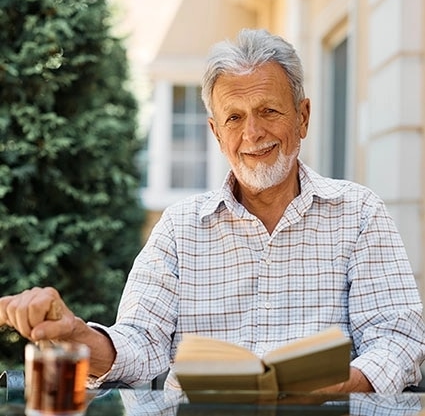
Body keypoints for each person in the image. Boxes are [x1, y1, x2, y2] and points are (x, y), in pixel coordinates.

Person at [0, 28, 424, 395]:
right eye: (234, 117)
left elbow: (400, 338)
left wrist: (340, 384)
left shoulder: (360, 213)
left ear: (303, 116)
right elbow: (140, 344)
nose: (252, 134)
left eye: (268, 111)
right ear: (216, 132)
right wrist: (76, 334)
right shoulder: (180, 226)